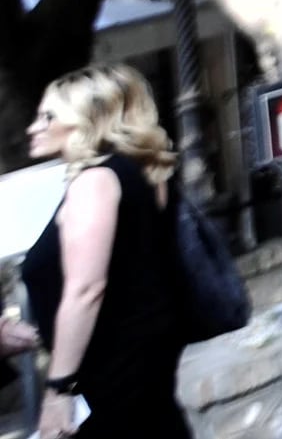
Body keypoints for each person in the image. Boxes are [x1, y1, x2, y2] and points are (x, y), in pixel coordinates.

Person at [5, 66, 193, 439]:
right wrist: (40, 333)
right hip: (142, 375)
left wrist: (58, 391)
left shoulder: (95, 182)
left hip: (115, 386)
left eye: (48, 117)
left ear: (87, 121)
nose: (33, 128)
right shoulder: (142, 175)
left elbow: (86, 289)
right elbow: (128, 289)